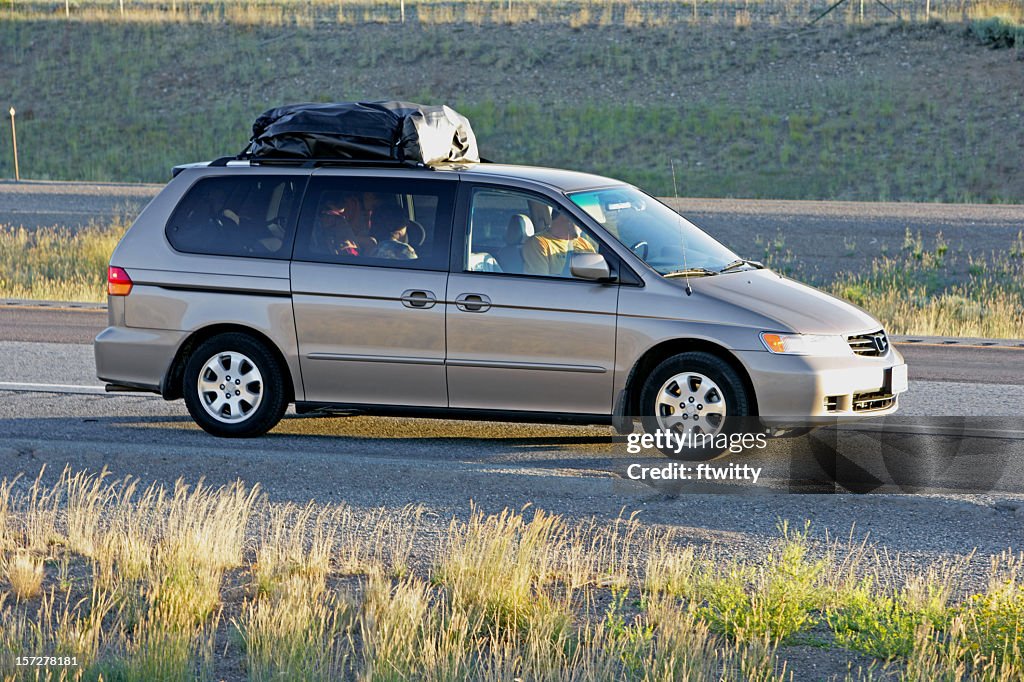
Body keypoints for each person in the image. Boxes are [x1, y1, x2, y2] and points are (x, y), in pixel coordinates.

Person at [521, 206, 595, 276]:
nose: (585, 223)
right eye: (581, 218)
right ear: (566, 217)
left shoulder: (584, 243)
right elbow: (541, 285)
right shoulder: (538, 243)